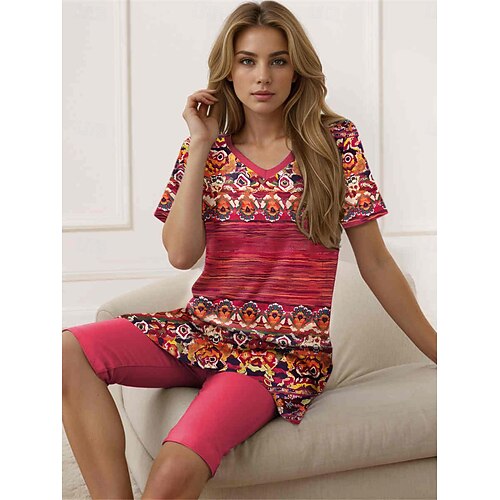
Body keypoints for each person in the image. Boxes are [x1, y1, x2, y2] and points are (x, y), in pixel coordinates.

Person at [62, 1, 438, 498]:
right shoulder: (206, 149)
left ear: (296, 70)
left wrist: (442, 353)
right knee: (65, 351)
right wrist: (201, 143)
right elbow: (181, 255)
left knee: (174, 469)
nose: (263, 76)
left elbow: (376, 263)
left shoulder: (334, 143)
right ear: (229, 71)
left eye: (278, 61)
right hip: (203, 330)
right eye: (247, 61)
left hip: (280, 354)